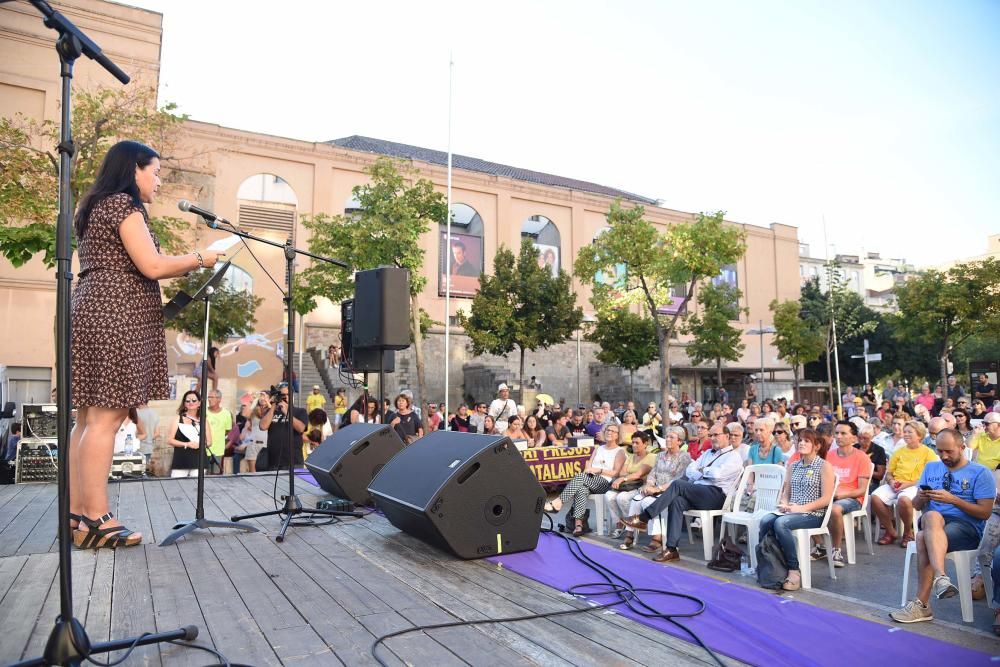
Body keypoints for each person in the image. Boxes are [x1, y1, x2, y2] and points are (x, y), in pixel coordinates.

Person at [70, 141, 221, 549]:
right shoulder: (123, 206)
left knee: (87, 419)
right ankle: (97, 519)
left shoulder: (95, 206)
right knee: (106, 419)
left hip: (94, 307)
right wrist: (200, 258)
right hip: (116, 314)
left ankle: (78, 515)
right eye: (154, 171)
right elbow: (152, 265)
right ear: (134, 169)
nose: (157, 180)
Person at [890, 429, 995, 624]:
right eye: (940, 451)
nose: (944, 456)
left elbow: (985, 513)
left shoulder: (980, 473)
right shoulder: (931, 468)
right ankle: (941, 578)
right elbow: (915, 506)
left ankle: (922, 605)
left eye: (949, 451)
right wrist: (920, 498)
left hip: (966, 527)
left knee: (922, 536)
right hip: (933, 523)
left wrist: (954, 500)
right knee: (931, 515)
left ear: (962, 448)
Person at [623, 423, 743, 563]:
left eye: (716, 435)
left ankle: (644, 518)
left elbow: (717, 475)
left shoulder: (733, 456)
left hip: (716, 495)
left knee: (678, 484)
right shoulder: (707, 454)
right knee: (677, 501)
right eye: (711, 435)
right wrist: (702, 472)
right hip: (698, 492)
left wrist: (701, 471)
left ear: (727, 436)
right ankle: (672, 549)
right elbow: (690, 470)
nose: (712, 438)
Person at [757, 429, 836, 591]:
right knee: (765, 520)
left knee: (781, 524)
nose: (802, 443)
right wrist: (785, 504)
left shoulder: (824, 466)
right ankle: (768, 564)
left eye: (807, 441)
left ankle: (794, 570)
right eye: (800, 440)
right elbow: (786, 494)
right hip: (792, 511)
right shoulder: (793, 466)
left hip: (814, 513)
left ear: (817, 446)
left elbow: (826, 499)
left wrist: (800, 508)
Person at [545, 426, 626, 536]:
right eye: (607, 430)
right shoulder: (598, 448)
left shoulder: (620, 451)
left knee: (580, 477)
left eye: (613, 431)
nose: (609, 432)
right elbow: (588, 465)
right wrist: (588, 470)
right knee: (581, 489)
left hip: (606, 482)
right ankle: (579, 525)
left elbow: (615, 473)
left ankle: (558, 502)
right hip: (590, 478)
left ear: (618, 435)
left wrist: (598, 470)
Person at [620, 428, 692, 551]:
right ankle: (630, 535)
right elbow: (653, 473)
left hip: (671, 492)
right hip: (655, 488)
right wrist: (649, 485)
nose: (667, 439)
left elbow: (680, 478)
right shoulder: (660, 455)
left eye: (671, 437)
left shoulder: (684, 457)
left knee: (647, 502)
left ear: (679, 441)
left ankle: (657, 538)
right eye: (667, 437)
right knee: (636, 499)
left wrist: (658, 488)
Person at [872, 421, 939, 547]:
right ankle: (890, 531)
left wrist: (907, 484)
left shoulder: (928, 452)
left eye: (910, 432)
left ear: (919, 435)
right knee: (875, 497)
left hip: (915, 485)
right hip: (896, 483)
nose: (906, 434)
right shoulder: (899, 451)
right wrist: (891, 481)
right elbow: (889, 473)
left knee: (903, 500)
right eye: (905, 431)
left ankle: (908, 532)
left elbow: (930, 477)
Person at [819, 420, 871, 568]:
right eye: (836, 433)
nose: (839, 437)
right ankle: (820, 546)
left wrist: (839, 496)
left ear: (854, 438)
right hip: (830, 495)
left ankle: (836, 550)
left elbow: (862, 490)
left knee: (835, 509)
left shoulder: (861, 457)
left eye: (843, 433)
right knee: (802, 504)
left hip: (852, 498)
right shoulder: (828, 455)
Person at [606, 428, 656, 540]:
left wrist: (624, 478)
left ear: (645, 444)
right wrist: (626, 477)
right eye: (632, 442)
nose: (634, 445)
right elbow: (622, 472)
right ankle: (620, 523)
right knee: (609, 496)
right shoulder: (631, 456)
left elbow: (639, 474)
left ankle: (633, 524)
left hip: (640, 486)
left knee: (621, 498)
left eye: (637, 443)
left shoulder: (651, 457)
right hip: (628, 485)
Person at [260, 384, 308, 470]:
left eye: (288, 395)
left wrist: (286, 412)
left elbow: (301, 428)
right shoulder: (271, 411)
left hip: (293, 461)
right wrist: (274, 405)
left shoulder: (300, 411)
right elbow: (263, 426)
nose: (285, 397)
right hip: (274, 461)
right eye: (282, 395)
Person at [166, 391, 211, 479]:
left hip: (199, 459)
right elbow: (169, 440)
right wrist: (186, 444)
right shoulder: (178, 419)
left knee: (197, 487)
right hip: (181, 458)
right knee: (176, 485)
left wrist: (200, 445)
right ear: (184, 404)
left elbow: (209, 442)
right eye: (187, 401)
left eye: (194, 400)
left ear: (199, 403)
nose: (191, 402)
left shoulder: (204, 420)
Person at [205, 389, 232, 475]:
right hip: (203, 450)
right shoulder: (202, 412)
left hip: (218, 450)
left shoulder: (226, 414)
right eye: (209, 397)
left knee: (215, 475)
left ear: (219, 399)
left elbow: (227, 431)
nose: (209, 399)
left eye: (212, 397)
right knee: (202, 474)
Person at [856, 423, 887, 490]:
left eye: (865, 438)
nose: (861, 441)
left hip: (871, 481)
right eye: (859, 438)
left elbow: (880, 475)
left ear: (872, 437)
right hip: (853, 480)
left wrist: (864, 471)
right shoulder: (854, 448)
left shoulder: (879, 450)